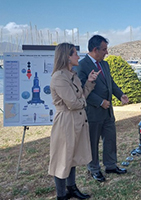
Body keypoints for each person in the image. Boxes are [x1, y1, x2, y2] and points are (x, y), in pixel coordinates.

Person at [49, 43, 100, 200]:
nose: (78, 56)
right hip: (66, 121)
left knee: (72, 156)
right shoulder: (59, 77)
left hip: (76, 120)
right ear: (67, 56)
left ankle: (71, 188)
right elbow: (73, 103)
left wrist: (89, 82)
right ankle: (61, 194)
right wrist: (82, 101)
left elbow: (81, 96)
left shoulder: (72, 74)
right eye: (75, 54)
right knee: (62, 158)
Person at [75, 35, 129, 183]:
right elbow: (81, 90)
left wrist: (120, 95)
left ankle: (111, 165)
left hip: (108, 112)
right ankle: (94, 169)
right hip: (93, 113)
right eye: (104, 49)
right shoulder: (82, 65)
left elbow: (110, 82)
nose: (107, 52)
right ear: (95, 49)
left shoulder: (104, 64)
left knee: (110, 139)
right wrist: (99, 102)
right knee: (93, 142)